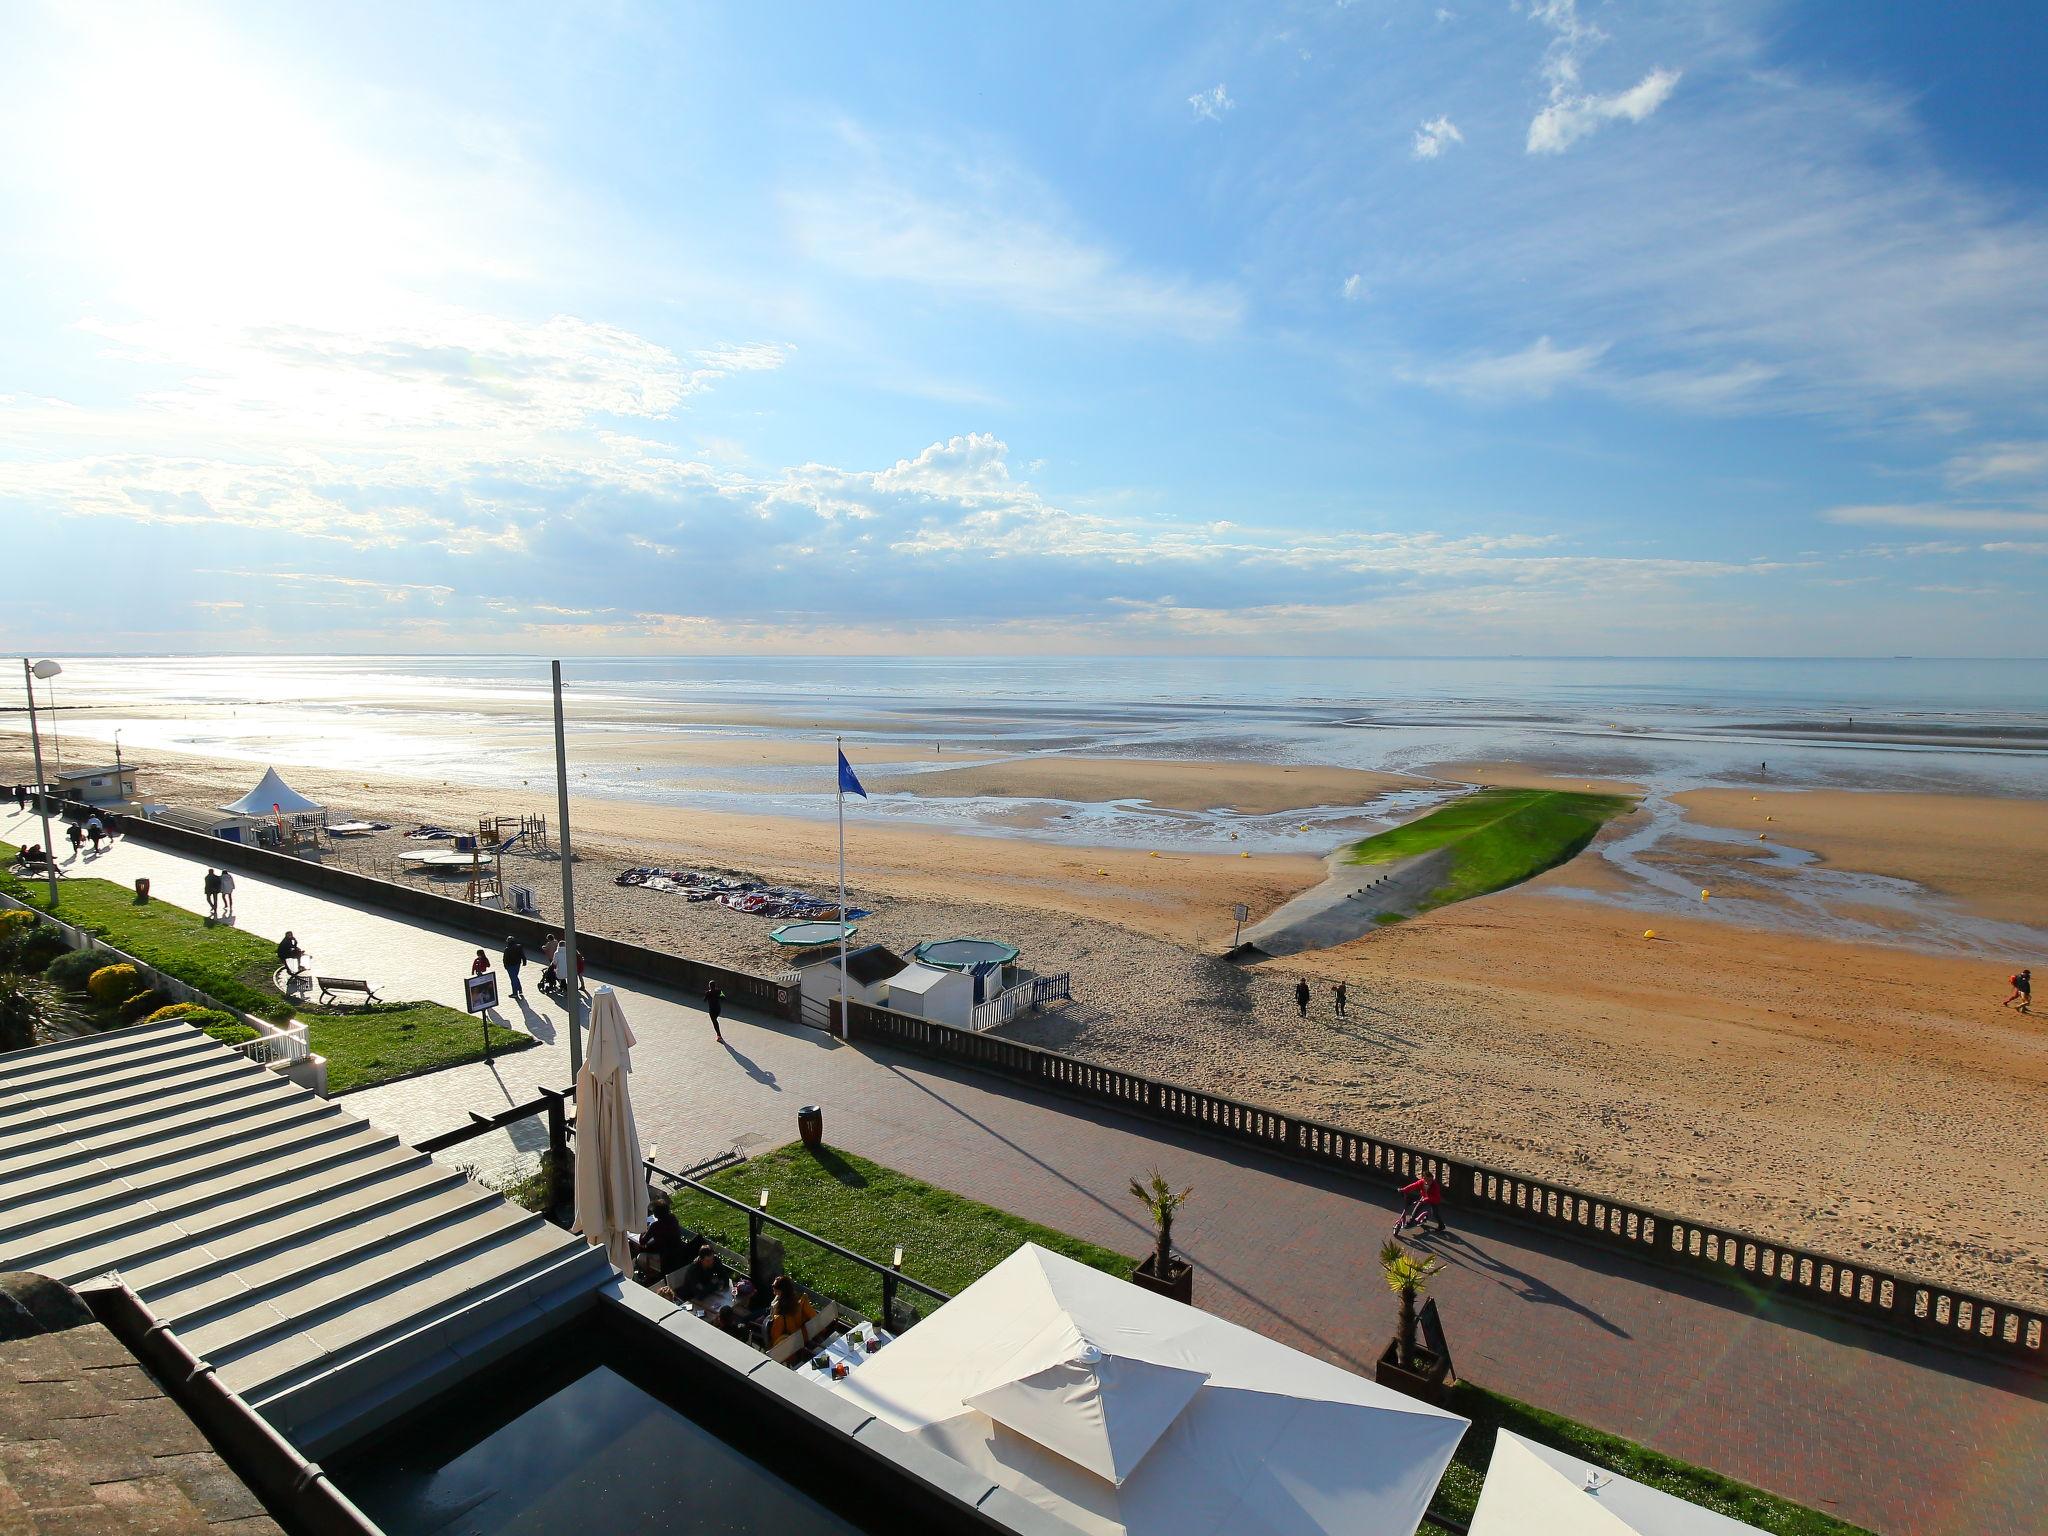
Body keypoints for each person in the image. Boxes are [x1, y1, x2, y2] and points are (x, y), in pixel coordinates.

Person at [630, 1193, 689, 1282]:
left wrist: (644, 1229)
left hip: (665, 1256)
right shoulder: (673, 1218)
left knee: (640, 1252)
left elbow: (642, 1241)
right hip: (677, 1251)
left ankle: (646, 1273)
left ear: (656, 1214)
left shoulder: (655, 1226)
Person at [764, 1275, 818, 1351]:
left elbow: (775, 1339)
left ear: (781, 1291)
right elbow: (813, 1315)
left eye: (775, 1289)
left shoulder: (780, 1315)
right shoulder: (801, 1300)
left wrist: (773, 1310)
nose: (773, 1291)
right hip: (803, 1335)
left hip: (791, 1346)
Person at [704, 979, 725, 1043]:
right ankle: (719, 1036)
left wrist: (707, 995)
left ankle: (719, 1036)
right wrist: (719, 996)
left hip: (712, 1010)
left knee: (714, 1022)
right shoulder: (719, 991)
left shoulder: (708, 993)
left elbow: (704, 1000)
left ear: (709, 986)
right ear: (715, 985)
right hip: (718, 1009)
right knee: (715, 1020)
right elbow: (723, 997)